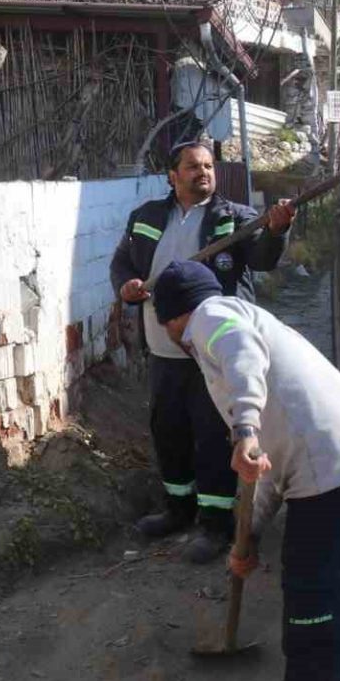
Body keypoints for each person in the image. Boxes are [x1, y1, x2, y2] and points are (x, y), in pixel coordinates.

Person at [152, 260, 340, 681]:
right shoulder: (243, 324)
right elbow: (264, 470)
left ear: (172, 318)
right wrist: (248, 539)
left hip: (337, 476)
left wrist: (243, 427)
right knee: (306, 596)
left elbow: (241, 353)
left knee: (315, 611)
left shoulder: (212, 318)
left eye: (165, 326)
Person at [109, 138, 294, 561]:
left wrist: (277, 230)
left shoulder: (235, 218)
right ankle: (178, 508)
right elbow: (122, 262)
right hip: (164, 351)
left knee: (213, 435)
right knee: (169, 430)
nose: (204, 173)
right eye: (193, 166)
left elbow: (262, 258)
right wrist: (125, 286)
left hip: (212, 353)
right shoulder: (147, 217)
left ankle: (215, 523)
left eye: (208, 165)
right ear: (172, 176)